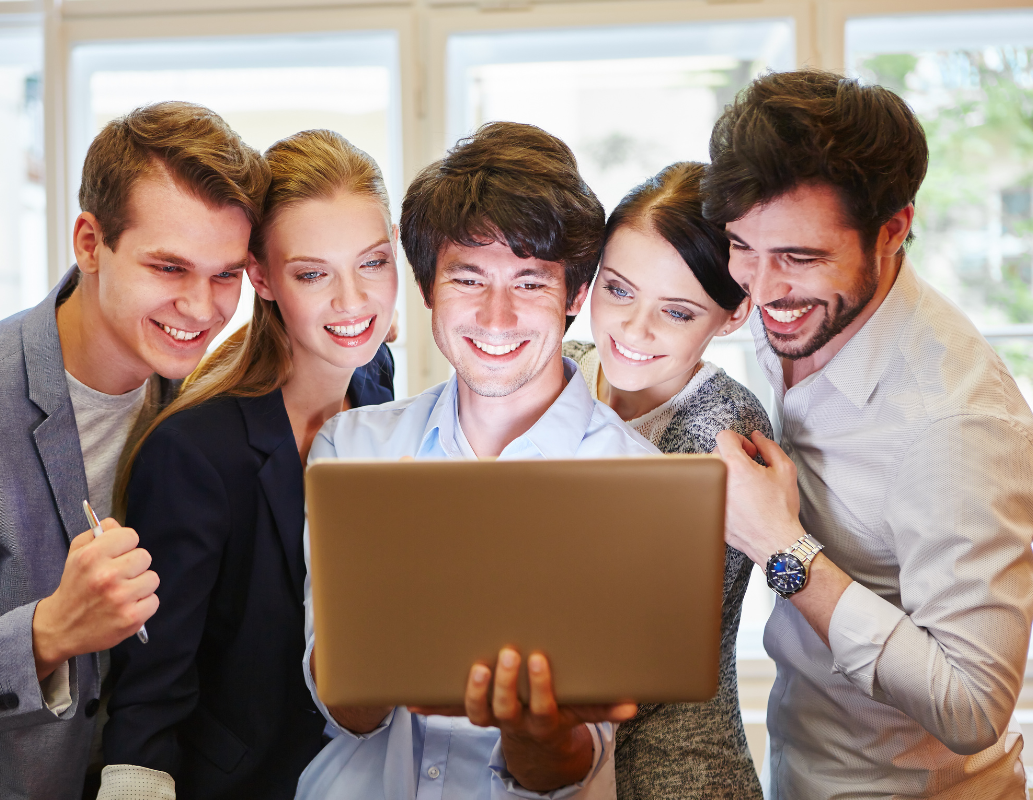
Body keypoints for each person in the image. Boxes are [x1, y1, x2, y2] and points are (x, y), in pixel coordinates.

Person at [0, 101, 269, 800]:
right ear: (90, 242)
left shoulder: (199, 400)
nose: (202, 308)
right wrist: (46, 632)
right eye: (169, 267)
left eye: (225, 276)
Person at [295, 121, 657, 800]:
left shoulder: (632, 484)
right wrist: (392, 623)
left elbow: (567, 768)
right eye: (467, 278)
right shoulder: (353, 450)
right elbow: (343, 709)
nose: (496, 316)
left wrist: (535, 733)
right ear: (428, 289)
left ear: (576, 297)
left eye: (529, 283)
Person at [706, 69, 1033, 798]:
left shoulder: (957, 423)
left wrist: (781, 546)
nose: (760, 291)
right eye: (742, 248)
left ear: (893, 229)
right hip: (797, 767)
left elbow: (973, 706)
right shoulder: (801, 312)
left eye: (799, 257)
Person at [97, 129, 398, 800]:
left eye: (372, 264)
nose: (353, 302)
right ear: (262, 278)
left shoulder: (377, 384)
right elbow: (151, 695)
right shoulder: (197, 451)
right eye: (313, 274)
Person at [563, 161, 768, 798]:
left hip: (672, 763)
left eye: (676, 312)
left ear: (732, 317)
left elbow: (654, 644)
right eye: (618, 290)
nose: (634, 329)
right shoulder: (560, 368)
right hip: (552, 749)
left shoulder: (725, 430)